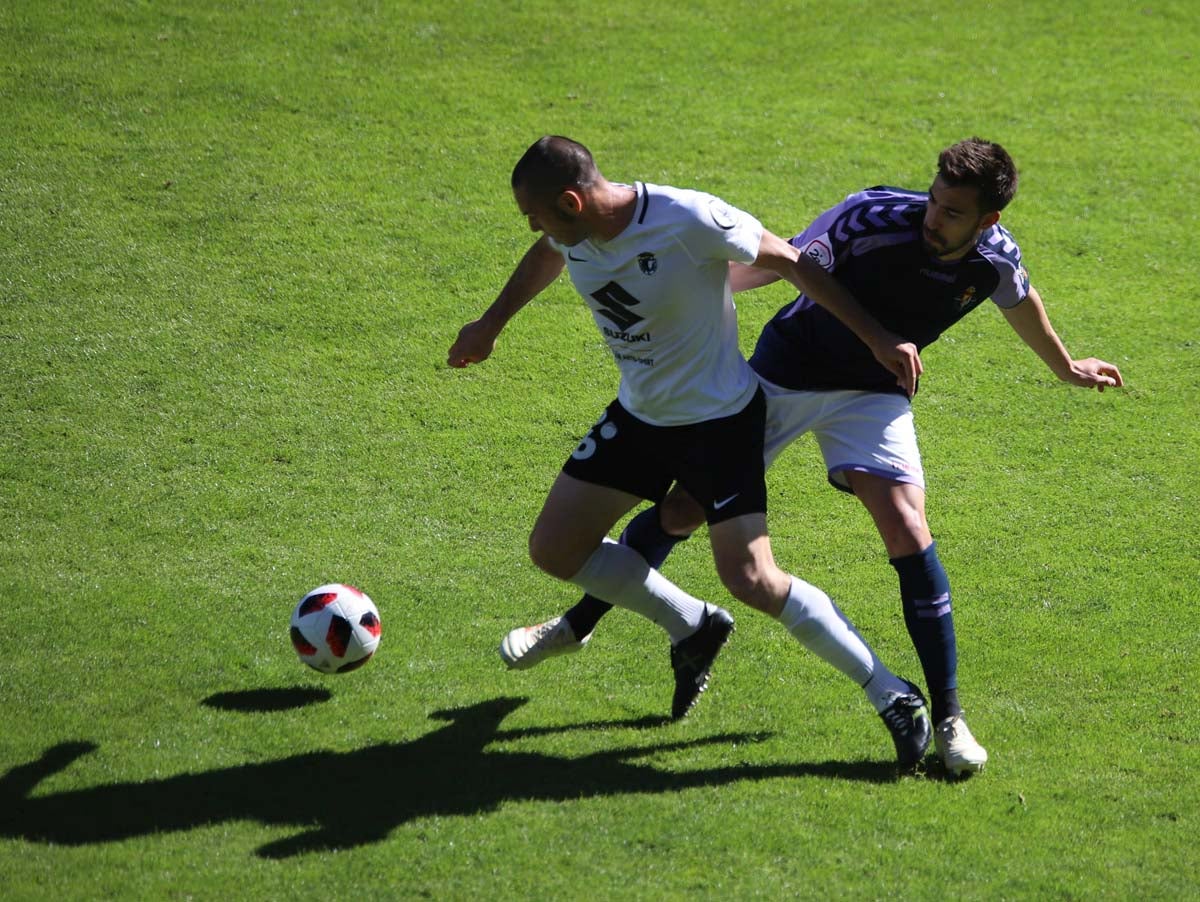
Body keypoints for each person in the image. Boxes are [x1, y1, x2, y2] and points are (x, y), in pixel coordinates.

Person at [497, 137, 1124, 777]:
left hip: (873, 394)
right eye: (934, 201)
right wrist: (705, 276)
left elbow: (1021, 299)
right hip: (786, 374)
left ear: (988, 220)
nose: (934, 218)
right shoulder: (871, 219)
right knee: (682, 509)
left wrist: (1068, 367)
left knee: (908, 529)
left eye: (954, 212)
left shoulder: (995, 257)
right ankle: (580, 623)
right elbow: (793, 259)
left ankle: (947, 717)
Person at [450, 135, 934, 768]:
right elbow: (546, 254)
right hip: (641, 417)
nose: (536, 228)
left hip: (719, 426)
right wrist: (491, 324)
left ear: (572, 201)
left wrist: (877, 339)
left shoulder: (686, 217)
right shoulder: (572, 235)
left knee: (752, 578)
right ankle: (692, 625)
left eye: (536, 214)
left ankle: (893, 694)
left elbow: (790, 261)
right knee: (554, 549)